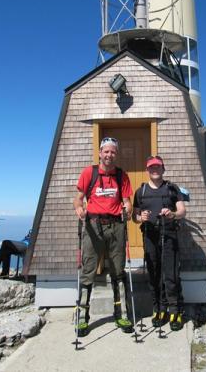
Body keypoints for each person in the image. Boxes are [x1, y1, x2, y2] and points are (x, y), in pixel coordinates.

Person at [73, 137, 133, 337]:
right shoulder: (88, 173)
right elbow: (78, 199)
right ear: (100, 153)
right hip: (93, 225)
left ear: (116, 154)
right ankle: (82, 317)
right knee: (88, 269)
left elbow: (126, 200)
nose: (109, 155)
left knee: (118, 270)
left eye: (113, 152)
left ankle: (121, 314)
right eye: (106, 151)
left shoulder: (122, 176)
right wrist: (79, 209)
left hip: (116, 225)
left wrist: (128, 209)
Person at [133, 155, 187, 331]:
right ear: (147, 170)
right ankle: (159, 309)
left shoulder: (172, 188)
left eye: (158, 166)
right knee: (154, 274)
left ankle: (176, 311)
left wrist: (172, 214)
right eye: (151, 167)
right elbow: (134, 216)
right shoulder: (140, 192)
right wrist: (141, 218)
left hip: (169, 235)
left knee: (171, 274)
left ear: (163, 169)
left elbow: (182, 211)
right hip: (149, 236)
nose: (155, 169)